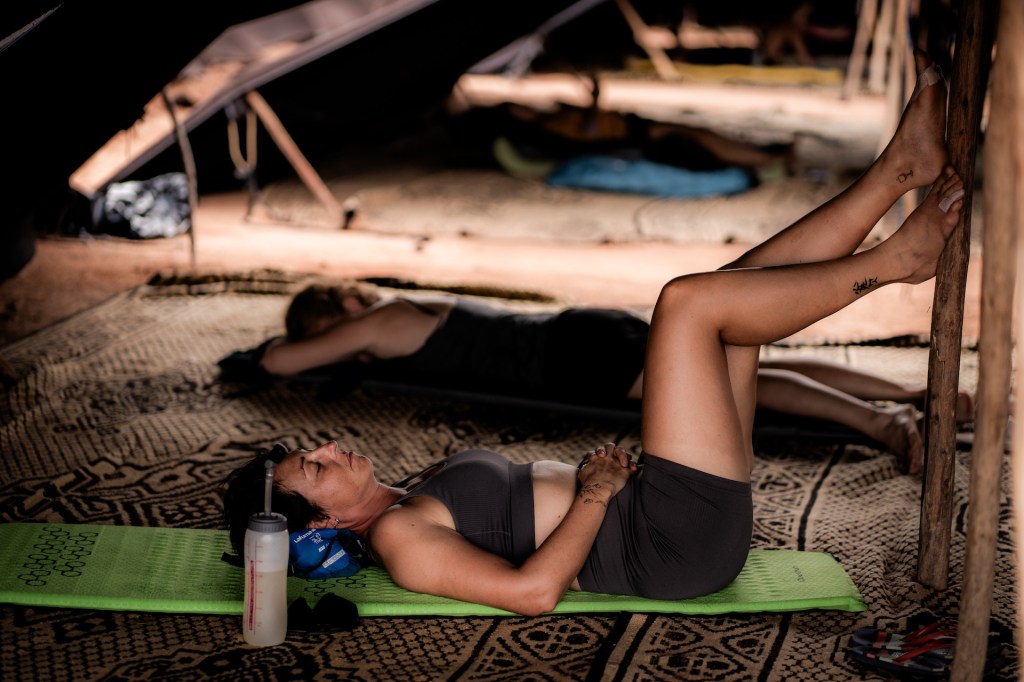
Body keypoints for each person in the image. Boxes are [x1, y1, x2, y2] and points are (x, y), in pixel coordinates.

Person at [224, 52, 964, 614]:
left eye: (312, 450)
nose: (329, 448)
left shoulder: (405, 496)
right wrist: (597, 493)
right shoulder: (395, 540)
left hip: (666, 509)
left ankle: (896, 174)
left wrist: (601, 488)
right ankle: (897, 262)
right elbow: (532, 593)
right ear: (323, 521)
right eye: (313, 467)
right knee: (687, 304)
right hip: (671, 542)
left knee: (735, 295)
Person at [253, 274, 973, 476]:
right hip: (580, 331)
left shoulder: (377, 322)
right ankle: (905, 392)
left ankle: (884, 422)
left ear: (338, 315)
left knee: (729, 391)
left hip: (575, 359)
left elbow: (280, 362)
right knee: (751, 364)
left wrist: (314, 348)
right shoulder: (410, 306)